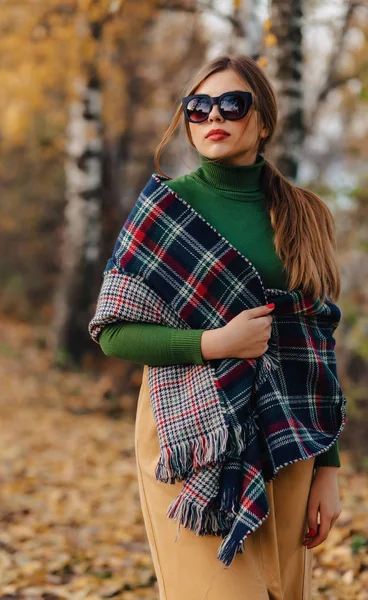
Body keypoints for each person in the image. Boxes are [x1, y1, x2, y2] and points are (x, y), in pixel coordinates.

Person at [92, 55, 344, 599]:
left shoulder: (306, 214)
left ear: (265, 118)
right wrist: (215, 343)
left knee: (281, 592)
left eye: (232, 103)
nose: (214, 117)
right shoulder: (164, 210)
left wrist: (329, 468)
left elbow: (316, 349)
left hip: (287, 433)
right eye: (198, 107)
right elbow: (113, 331)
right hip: (191, 434)